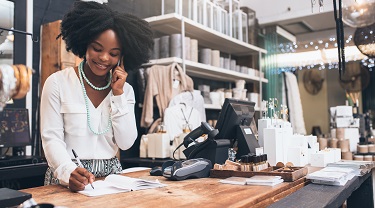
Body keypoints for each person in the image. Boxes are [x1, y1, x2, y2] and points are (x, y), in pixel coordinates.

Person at [40, 1, 153, 192]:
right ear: (84, 44)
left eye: (114, 53)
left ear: (122, 57)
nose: (104, 58)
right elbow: (51, 139)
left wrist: (118, 94)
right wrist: (69, 172)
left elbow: (126, 142)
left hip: (111, 179)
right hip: (67, 176)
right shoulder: (57, 83)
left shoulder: (126, 91)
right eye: (97, 49)